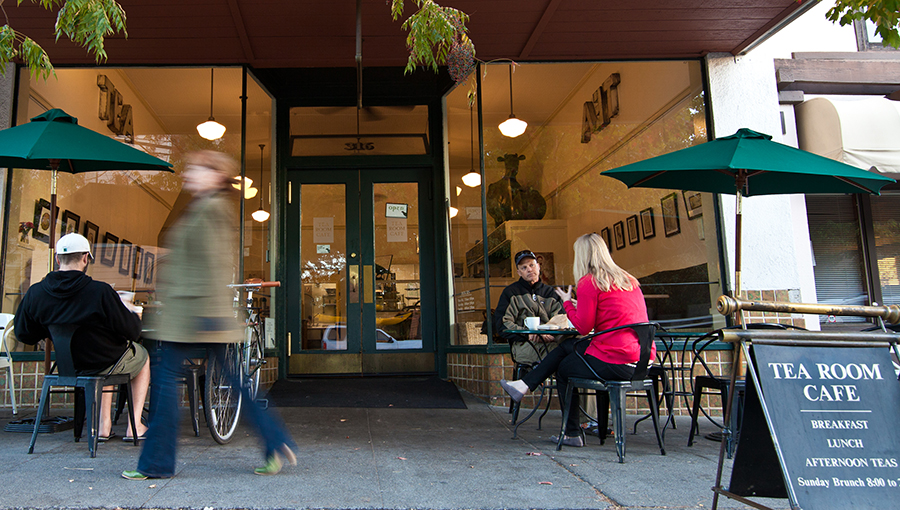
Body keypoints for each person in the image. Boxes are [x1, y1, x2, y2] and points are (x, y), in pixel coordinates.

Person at [123, 150, 296, 481]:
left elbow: (215, 265)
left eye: (196, 169)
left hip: (195, 317)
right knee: (234, 385)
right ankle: (275, 441)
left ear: (216, 175)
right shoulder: (204, 208)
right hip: (196, 316)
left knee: (166, 387)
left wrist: (206, 314)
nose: (188, 174)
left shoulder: (211, 210)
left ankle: (157, 463)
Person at [500, 233, 654, 447]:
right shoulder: (629, 280)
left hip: (615, 361)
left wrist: (567, 303)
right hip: (642, 361)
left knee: (564, 368)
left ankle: (572, 432)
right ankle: (524, 385)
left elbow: (583, 326)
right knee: (570, 346)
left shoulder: (590, 282)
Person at [14, 233, 150, 441]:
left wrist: (51, 329)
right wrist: (129, 310)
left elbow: (24, 334)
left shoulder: (36, 293)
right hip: (104, 360)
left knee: (112, 356)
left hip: (68, 366)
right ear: (86, 258)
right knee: (141, 356)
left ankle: (103, 426)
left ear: (58, 259)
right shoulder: (100, 292)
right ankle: (135, 426)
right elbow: (132, 331)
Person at [493, 250, 567, 365]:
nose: (529, 269)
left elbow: (562, 319)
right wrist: (528, 335)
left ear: (538, 266)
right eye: (524, 267)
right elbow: (502, 325)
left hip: (552, 342)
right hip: (525, 344)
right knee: (562, 354)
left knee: (573, 349)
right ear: (519, 272)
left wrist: (551, 334)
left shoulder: (551, 293)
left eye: (532, 265)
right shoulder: (511, 293)